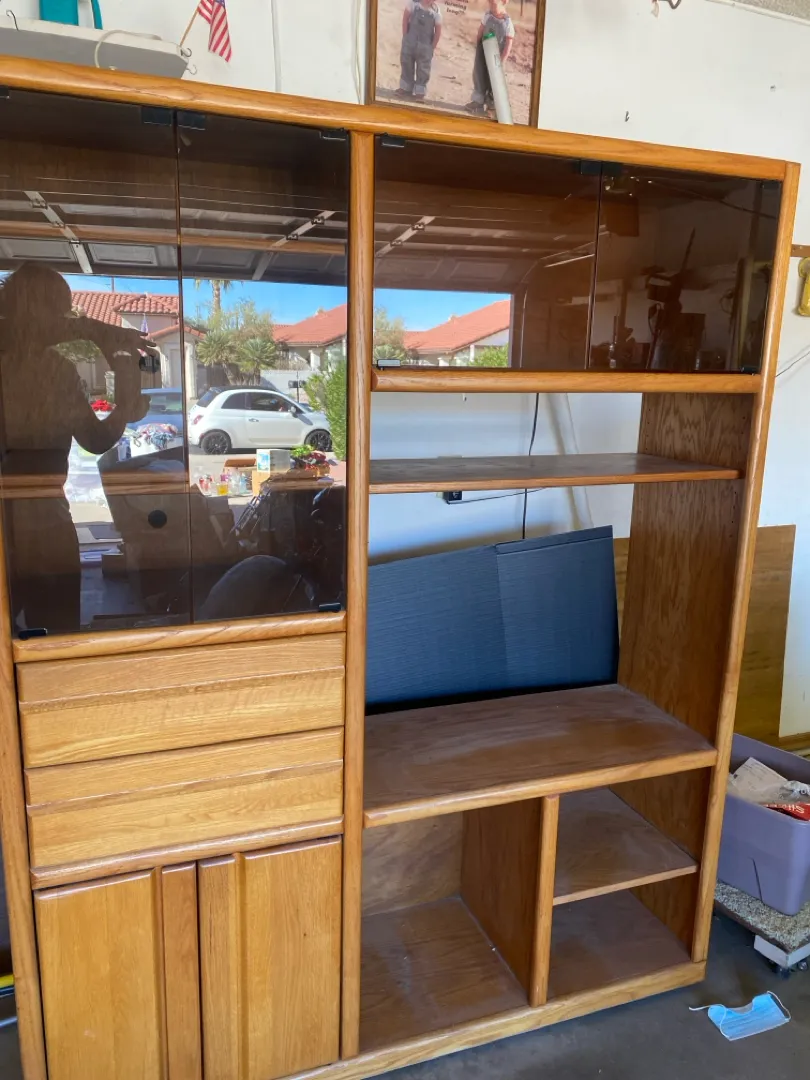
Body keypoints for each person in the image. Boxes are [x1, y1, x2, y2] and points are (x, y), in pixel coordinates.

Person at [0, 263, 152, 633]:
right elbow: (95, 440)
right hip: (44, 517)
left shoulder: (45, 363)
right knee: (57, 634)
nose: (65, 322)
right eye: (60, 312)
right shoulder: (53, 370)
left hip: (35, 512)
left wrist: (99, 332)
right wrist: (124, 408)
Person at [467, 0, 515, 115]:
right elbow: (481, 30)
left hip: (496, 56)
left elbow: (508, 44)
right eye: (490, 3)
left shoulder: (507, 23)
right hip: (483, 50)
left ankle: (492, 107)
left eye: (494, 4)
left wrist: (502, 59)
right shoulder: (488, 15)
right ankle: (477, 101)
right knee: (479, 75)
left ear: (504, 2)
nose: (491, 7)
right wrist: (478, 46)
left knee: (494, 81)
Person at [398, 0, 443, 101]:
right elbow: (405, 18)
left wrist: (432, 47)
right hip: (410, 42)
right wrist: (405, 36)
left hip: (425, 47)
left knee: (423, 69)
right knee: (406, 63)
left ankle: (420, 92)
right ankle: (405, 87)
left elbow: (438, 31)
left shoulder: (436, 12)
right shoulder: (413, 4)